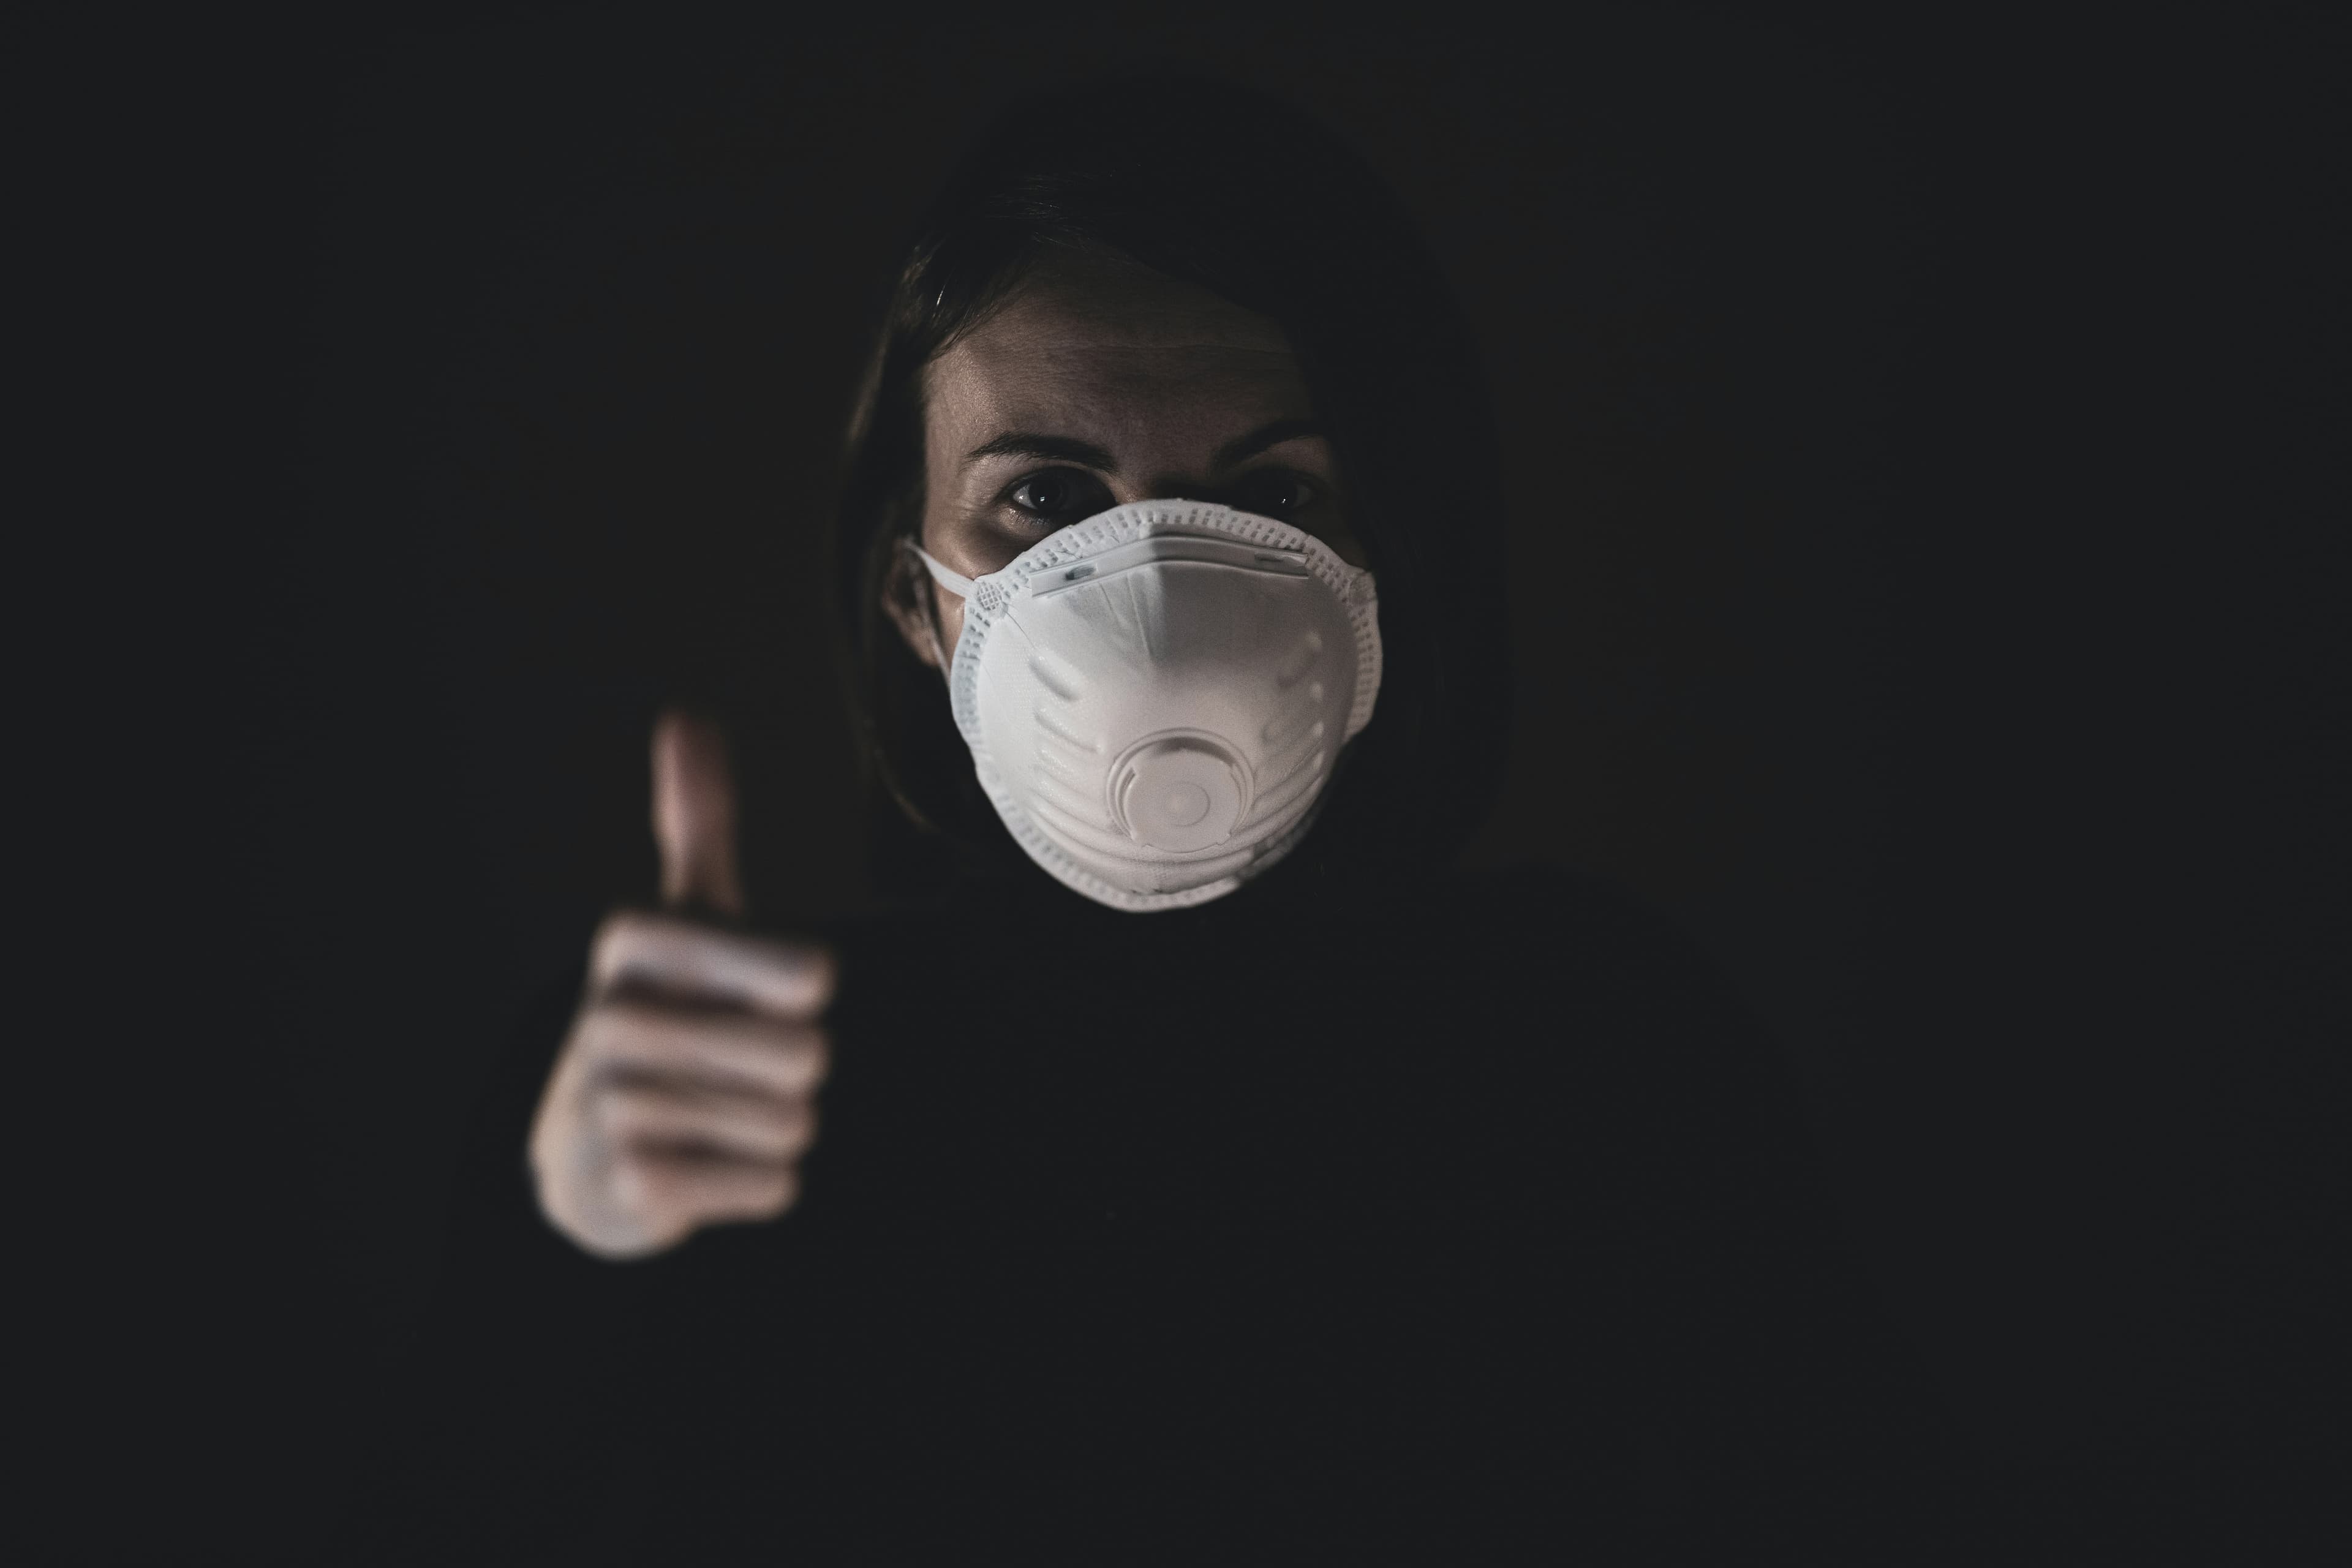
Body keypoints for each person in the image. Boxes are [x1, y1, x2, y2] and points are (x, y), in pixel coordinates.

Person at [336, 67, 1986, 1564]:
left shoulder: (1601, 1051)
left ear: (1392, 574)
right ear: (913, 601)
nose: (1160, 615)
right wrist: (566, 1255)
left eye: (1271, 495)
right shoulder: (698, 1082)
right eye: (1045, 500)